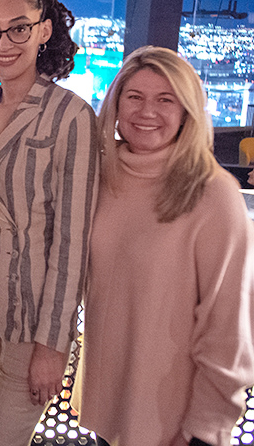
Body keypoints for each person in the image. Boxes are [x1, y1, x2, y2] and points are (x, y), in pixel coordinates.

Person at [73, 45, 254, 446]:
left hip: (178, 424)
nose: (146, 112)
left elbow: (229, 328)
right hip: (110, 412)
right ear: (116, 105)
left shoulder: (212, 194)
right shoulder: (101, 179)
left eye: (165, 100)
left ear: (187, 110)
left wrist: (205, 429)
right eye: (134, 97)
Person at [0, 0, 99, 446]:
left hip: (34, 321)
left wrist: (54, 346)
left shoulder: (71, 115)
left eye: (18, 28)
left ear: (44, 30)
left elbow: (73, 239)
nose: (3, 42)